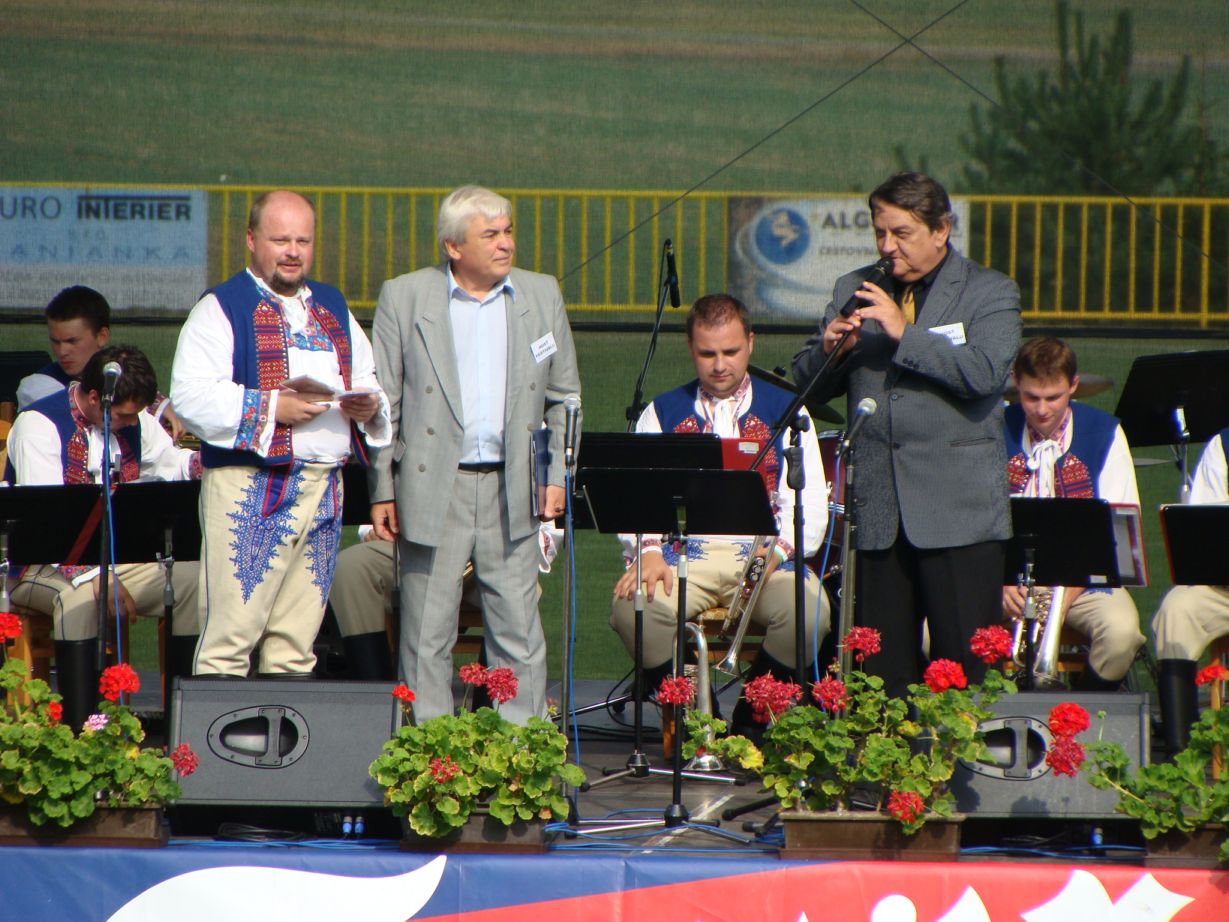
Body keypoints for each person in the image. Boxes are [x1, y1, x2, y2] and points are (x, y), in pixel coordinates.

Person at [792, 172, 1021, 697]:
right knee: (879, 674)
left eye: (901, 233)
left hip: (958, 514)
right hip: (880, 513)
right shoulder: (853, 288)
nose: (887, 247)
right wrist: (829, 353)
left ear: (941, 230)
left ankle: (964, 754)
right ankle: (883, 754)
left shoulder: (990, 291)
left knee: (964, 670)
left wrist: (904, 334)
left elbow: (984, 373)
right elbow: (806, 387)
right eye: (880, 232)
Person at [369, 184, 580, 723]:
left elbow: (565, 398)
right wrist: (382, 488)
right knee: (425, 633)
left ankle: (522, 754)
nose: (506, 243)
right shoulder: (404, 296)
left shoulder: (541, 293)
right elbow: (384, 405)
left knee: (519, 634)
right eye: (490, 234)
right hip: (433, 486)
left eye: (508, 231)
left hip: (515, 487)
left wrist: (557, 473)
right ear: (453, 246)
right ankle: (429, 753)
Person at [171, 189, 390, 677]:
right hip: (251, 485)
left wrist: (368, 404)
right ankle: (216, 729)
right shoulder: (222, 306)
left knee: (296, 642)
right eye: (280, 240)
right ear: (251, 240)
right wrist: (275, 406)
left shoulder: (332, 305)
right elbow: (190, 395)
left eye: (303, 241)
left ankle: (282, 728)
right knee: (230, 638)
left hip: (324, 488)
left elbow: (367, 377)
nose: (293, 252)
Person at [611, 293, 830, 733]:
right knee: (632, 609)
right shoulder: (661, 412)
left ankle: (751, 717)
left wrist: (778, 552)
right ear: (691, 348)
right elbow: (638, 495)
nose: (719, 365)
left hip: (766, 557)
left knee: (810, 612)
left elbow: (807, 506)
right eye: (707, 353)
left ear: (751, 342)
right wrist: (648, 551)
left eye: (730, 351)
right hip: (683, 556)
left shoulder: (789, 412)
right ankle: (699, 720)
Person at [5, 345, 201, 731]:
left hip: (113, 562)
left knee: (194, 580)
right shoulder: (39, 425)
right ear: (96, 398)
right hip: (39, 567)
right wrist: (97, 578)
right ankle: (82, 733)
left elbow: (170, 463)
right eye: (124, 415)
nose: (131, 423)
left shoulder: (135, 420)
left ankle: (184, 725)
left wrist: (204, 464)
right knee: (79, 599)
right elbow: (47, 525)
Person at [1002, 337, 1144, 690]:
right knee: (929, 631)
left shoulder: (1105, 432)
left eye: (1054, 397)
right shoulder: (992, 429)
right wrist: (998, 584)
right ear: (1015, 383)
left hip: (1083, 587)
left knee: (1122, 634)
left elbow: (1117, 531)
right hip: (1004, 584)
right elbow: (971, 521)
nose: (1042, 410)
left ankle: (1081, 707)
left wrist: (1065, 597)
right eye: (1031, 397)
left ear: (1074, 385)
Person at [329, 523, 561, 681]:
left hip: (490, 550)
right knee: (351, 567)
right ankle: (374, 699)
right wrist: (376, 528)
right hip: (413, 544)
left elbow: (547, 534)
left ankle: (493, 715)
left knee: (517, 586)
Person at [16, 285, 182, 437]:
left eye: (72, 341)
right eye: (55, 341)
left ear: (102, 336)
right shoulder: (36, 386)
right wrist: (153, 409)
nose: (62, 351)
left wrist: (160, 405)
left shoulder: (123, 378)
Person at [1151, 428, 1229, 753]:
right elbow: (1206, 524)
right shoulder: (1223, 445)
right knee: (1176, 609)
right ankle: (1182, 756)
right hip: (1224, 588)